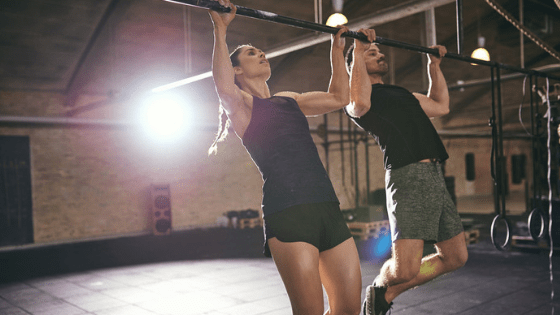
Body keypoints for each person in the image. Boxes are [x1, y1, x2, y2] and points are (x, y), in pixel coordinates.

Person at [207, 1, 362, 314]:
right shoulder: (242, 106)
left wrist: (336, 47)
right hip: (288, 213)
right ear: (237, 69)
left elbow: (339, 98)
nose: (261, 53)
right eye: (251, 52)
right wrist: (220, 28)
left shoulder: (289, 99)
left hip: (326, 206)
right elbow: (223, 86)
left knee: (348, 309)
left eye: (260, 51)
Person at [344, 29, 469, 315]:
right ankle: (381, 284)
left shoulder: (401, 93)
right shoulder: (356, 99)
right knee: (405, 268)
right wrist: (357, 46)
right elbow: (360, 103)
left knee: (456, 256)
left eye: (378, 51)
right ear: (356, 64)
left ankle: (383, 294)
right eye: (371, 52)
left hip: (435, 174)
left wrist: (433, 67)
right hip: (408, 175)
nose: (380, 53)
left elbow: (440, 105)